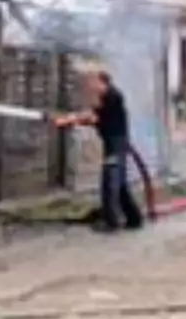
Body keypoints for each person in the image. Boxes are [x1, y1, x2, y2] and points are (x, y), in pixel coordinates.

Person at [52, 69, 145, 232]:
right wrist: (70, 121)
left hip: (116, 145)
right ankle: (134, 219)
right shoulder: (108, 96)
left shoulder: (112, 96)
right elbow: (95, 119)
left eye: (93, 82)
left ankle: (112, 222)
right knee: (120, 185)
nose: (91, 86)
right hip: (115, 143)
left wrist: (69, 119)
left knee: (109, 184)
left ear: (103, 82)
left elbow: (92, 116)